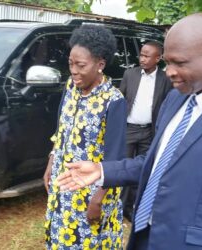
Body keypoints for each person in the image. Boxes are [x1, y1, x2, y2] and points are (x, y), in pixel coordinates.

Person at [57, 13, 202, 250]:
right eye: (167, 62)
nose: (168, 72)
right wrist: (103, 170)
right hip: (145, 237)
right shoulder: (175, 99)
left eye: (179, 63)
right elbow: (157, 164)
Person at [43, 24, 127, 249]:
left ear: (100, 64)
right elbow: (61, 128)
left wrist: (97, 200)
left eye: (81, 65)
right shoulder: (71, 87)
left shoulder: (114, 100)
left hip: (93, 190)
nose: (74, 71)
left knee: (88, 241)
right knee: (61, 237)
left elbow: (116, 159)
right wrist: (52, 161)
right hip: (64, 182)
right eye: (71, 63)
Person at [119, 41, 172, 221]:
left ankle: (130, 207)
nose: (142, 59)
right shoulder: (130, 74)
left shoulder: (165, 80)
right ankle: (118, 205)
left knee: (141, 171)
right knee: (123, 168)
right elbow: (121, 100)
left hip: (149, 132)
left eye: (147, 56)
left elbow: (166, 106)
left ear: (158, 58)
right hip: (129, 130)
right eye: (141, 54)